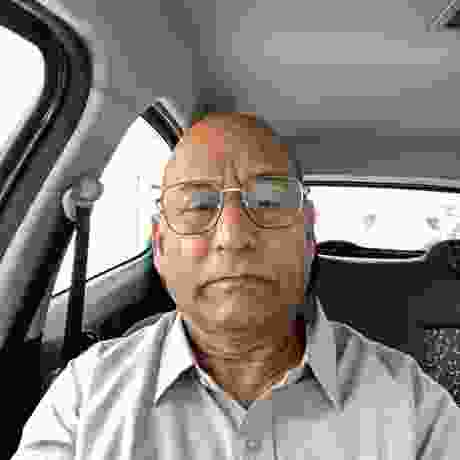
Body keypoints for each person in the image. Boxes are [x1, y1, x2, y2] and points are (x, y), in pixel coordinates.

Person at [12, 112, 460, 459]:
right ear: (161, 247)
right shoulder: (85, 397)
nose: (233, 234)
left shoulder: (415, 407)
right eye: (197, 205)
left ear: (308, 237)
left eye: (270, 200)